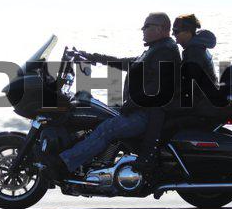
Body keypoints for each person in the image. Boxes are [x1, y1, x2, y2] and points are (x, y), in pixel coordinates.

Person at [41, 12, 181, 180]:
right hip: (140, 110)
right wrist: (91, 57)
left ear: (160, 28)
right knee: (98, 115)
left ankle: (64, 164)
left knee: (107, 128)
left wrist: (132, 103)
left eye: (147, 26)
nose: (142, 30)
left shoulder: (165, 51)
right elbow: (126, 62)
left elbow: (157, 87)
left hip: (146, 114)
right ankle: (87, 163)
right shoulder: (156, 49)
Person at [172, 14, 219, 108]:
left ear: (188, 32)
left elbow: (188, 86)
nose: (173, 35)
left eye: (176, 31)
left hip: (203, 103)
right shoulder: (198, 46)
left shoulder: (194, 52)